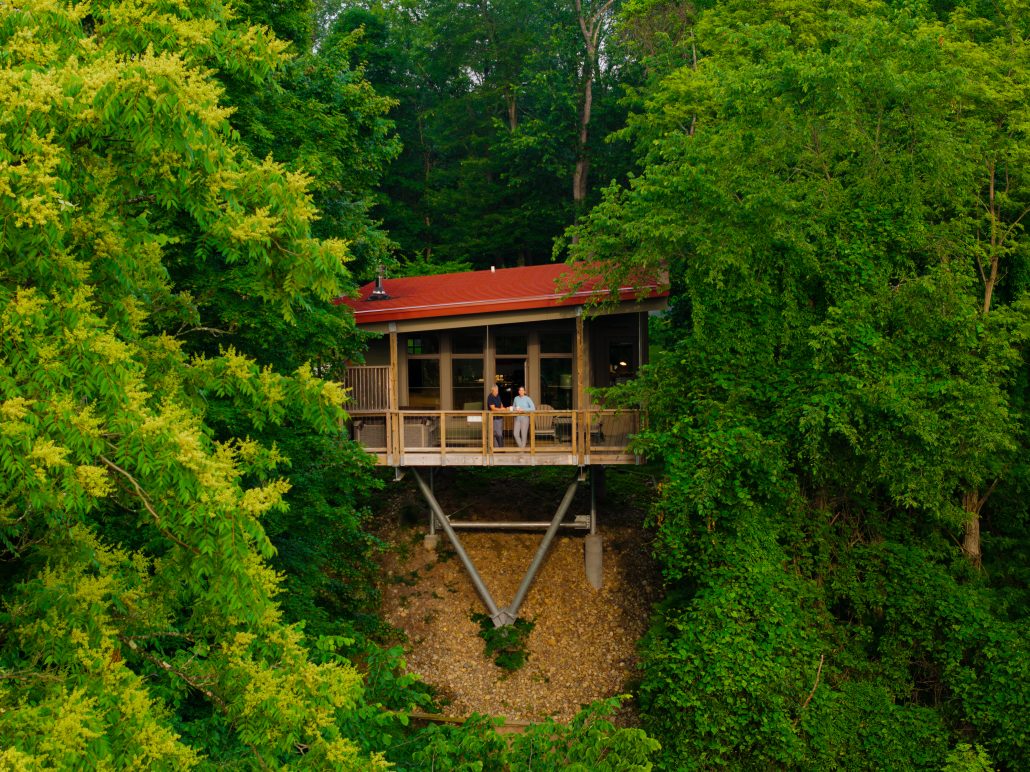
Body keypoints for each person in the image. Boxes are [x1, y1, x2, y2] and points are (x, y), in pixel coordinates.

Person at [487, 384, 505, 449]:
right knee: (497, 433)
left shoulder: (498, 396)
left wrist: (503, 408)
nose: (497, 392)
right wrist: (501, 409)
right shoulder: (490, 397)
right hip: (494, 418)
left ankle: (498, 448)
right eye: (496, 391)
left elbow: (501, 404)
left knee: (498, 433)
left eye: (497, 390)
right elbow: (492, 408)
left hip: (499, 417)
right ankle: (501, 448)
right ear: (492, 390)